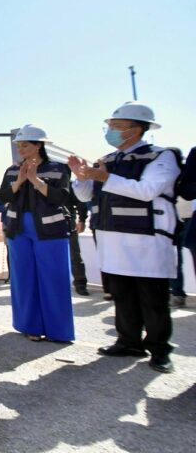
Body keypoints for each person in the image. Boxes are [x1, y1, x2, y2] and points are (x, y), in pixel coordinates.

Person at [69, 102, 178, 373]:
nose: (111, 131)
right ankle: (128, 341)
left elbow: (147, 190)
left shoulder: (161, 157)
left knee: (153, 299)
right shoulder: (106, 160)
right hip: (112, 238)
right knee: (122, 295)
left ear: (137, 129)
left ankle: (159, 349)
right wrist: (82, 177)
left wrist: (102, 176)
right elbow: (85, 195)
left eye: (117, 127)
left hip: (146, 239)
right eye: (110, 127)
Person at [0, 124, 74, 343]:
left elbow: (61, 197)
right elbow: (3, 196)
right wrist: (20, 180)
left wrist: (35, 180)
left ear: (39, 145)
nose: (21, 149)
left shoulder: (58, 169)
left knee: (53, 278)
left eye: (25, 145)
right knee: (23, 278)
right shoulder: (12, 170)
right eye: (19, 145)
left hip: (50, 232)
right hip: (18, 230)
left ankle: (58, 331)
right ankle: (29, 326)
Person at [171, 146, 196, 307]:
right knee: (174, 259)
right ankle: (177, 293)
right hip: (181, 221)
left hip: (185, 220)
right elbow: (186, 190)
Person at [66, 187, 90, 296]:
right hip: (43, 226)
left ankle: (80, 284)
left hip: (68, 224)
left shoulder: (69, 184)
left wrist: (82, 220)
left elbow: (81, 203)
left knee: (75, 255)